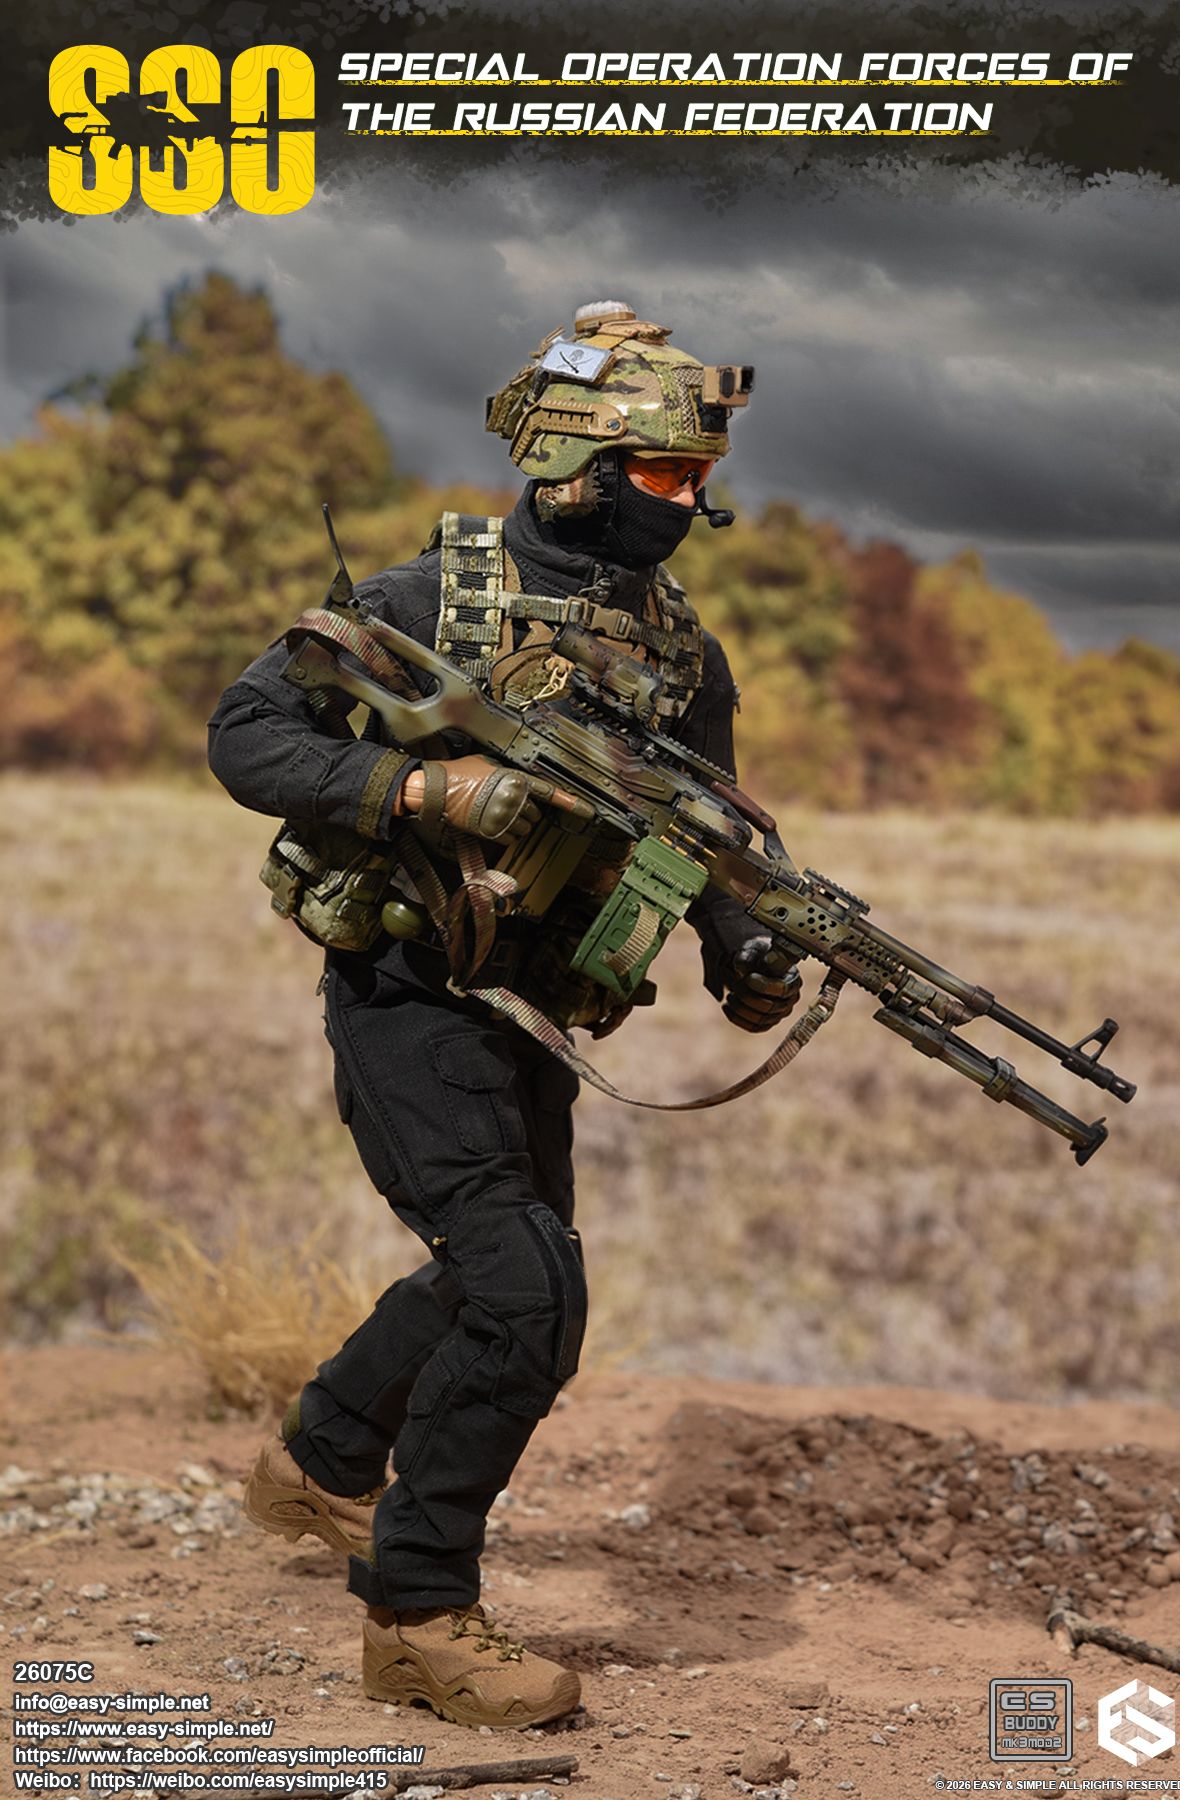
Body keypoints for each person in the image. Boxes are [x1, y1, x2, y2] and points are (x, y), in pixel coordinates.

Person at [207, 299, 802, 1731]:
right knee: (530, 1291)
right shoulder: (429, 601)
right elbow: (248, 732)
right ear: (573, 468)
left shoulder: (679, 650)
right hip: (409, 990)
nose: (687, 502)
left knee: (500, 1268)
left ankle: (323, 1461)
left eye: (699, 477)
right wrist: (418, 788)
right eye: (661, 472)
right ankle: (418, 1618)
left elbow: (712, 830)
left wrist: (746, 946)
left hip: (536, 1011)